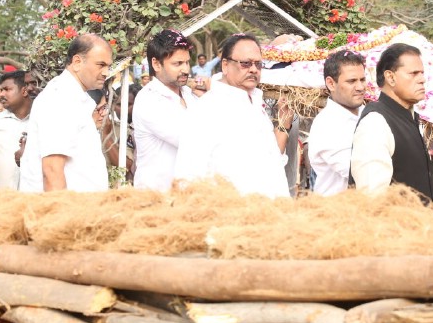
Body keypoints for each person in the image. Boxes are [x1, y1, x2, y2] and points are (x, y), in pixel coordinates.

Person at [174, 33, 292, 198]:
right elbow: (188, 176)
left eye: (258, 64)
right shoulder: (206, 110)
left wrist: (283, 125)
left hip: (271, 213)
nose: (253, 69)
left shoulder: (256, 104)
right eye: (245, 63)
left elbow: (270, 160)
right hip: (230, 215)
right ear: (225, 65)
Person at [349, 43, 433, 204]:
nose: (422, 79)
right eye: (413, 73)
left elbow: (416, 184)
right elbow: (372, 196)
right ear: (390, 77)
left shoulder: (408, 118)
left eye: (422, 73)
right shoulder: (375, 122)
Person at [20, 34, 111, 192]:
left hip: (81, 210)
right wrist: (61, 215)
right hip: (64, 211)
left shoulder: (74, 98)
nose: (106, 72)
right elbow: (52, 170)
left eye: (108, 66)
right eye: (100, 65)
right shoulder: (61, 98)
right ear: (77, 62)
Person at [133, 30, 196, 192]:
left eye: (187, 62)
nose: (185, 69)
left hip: (187, 197)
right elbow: (193, 140)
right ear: (156, 64)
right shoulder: (149, 100)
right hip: (156, 199)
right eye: (178, 63)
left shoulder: (189, 95)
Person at [308, 50, 367, 196]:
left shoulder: (370, 115)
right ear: (331, 83)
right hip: (336, 213)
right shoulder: (327, 124)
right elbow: (359, 171)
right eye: (351, 81)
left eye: (362, 80)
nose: (360, 87)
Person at [0, 71, 31, 191]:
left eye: (7, 89)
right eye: (1, 90)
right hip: (1, 202)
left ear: (24, 90)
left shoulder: (39, 122)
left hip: (32, 201)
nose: (2, 94)